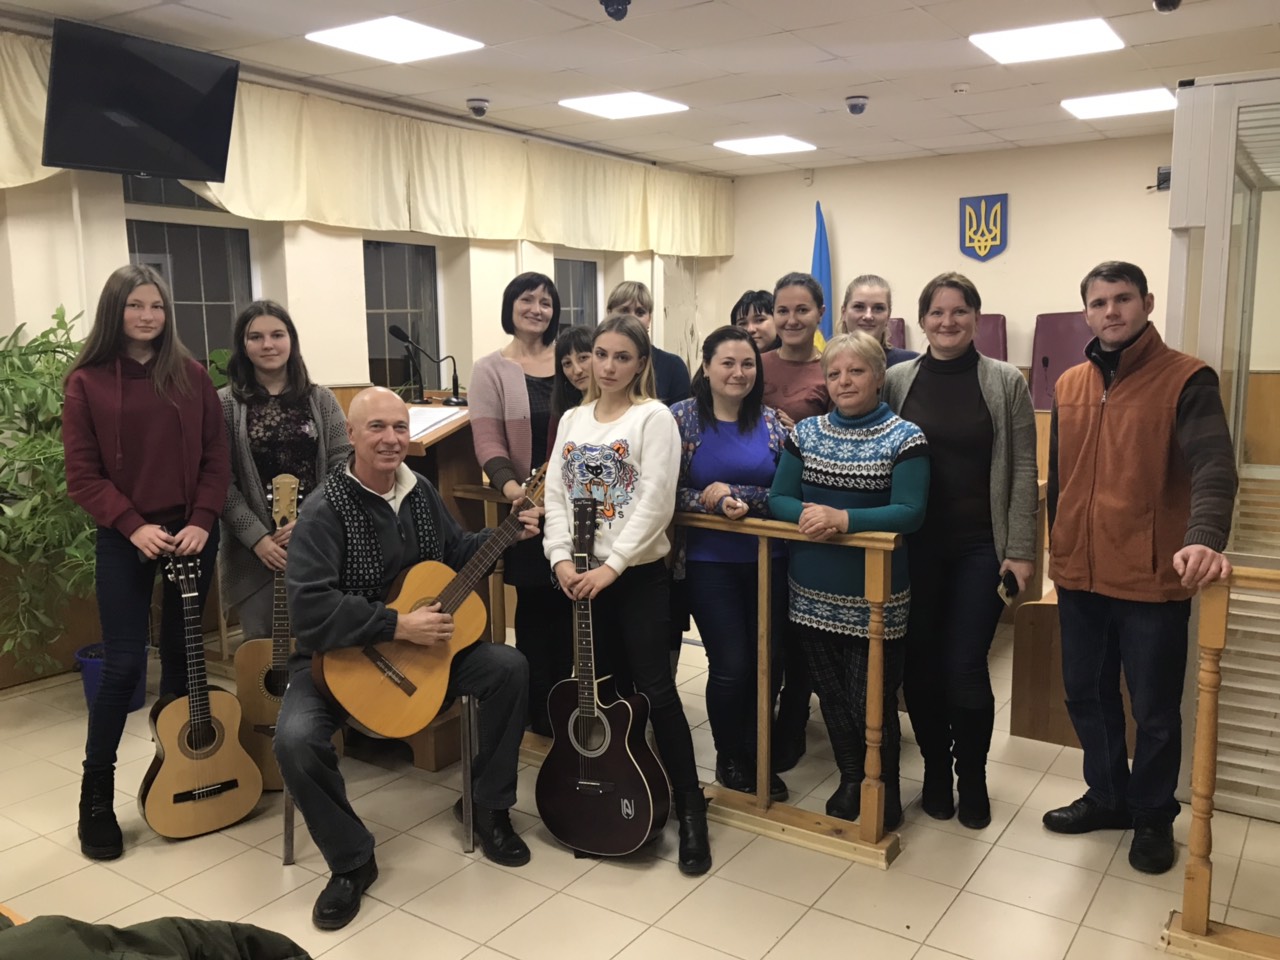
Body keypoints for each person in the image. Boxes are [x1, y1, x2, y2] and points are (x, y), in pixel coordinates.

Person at [278, 387, 541, 930]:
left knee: (509, 669)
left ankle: (486, 807)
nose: (391, 439)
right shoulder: (323, 509)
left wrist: (506, 534)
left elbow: (455, 554)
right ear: (351, 434)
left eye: (400, 427)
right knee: (295, 740)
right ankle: (351, 860)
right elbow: (309, 609)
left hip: (421, 663)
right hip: (335, 664)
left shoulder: (419, 490)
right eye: (377, 427)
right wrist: (398, 625)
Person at [1042, 261, 1237, 874]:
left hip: (1152, 576)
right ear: (1086, 312)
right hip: (1078, 573)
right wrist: (1056, 544)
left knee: (1154, 710)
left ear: (1147, 303)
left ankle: (1152, 815)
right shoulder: (1069, 383)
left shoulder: (1187, 378)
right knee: (1085, 694)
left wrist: (1204, 537)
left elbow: (1214, 466)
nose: (1111, 311)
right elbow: (1059, 480)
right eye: (1098, 302)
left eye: (1122, 299)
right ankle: (1107, 796)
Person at [62, 264, 230, 861]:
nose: (147, 316)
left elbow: (216, 456)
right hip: (124, 534)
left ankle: (182, 773)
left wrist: (202, 520)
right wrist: (132, 525)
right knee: (124, 665)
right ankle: (96, 797)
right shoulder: (85, 382)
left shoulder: (190, 375)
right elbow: (82, 475)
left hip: (191, 533)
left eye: (156, 306)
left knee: (186, 659)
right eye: (136, 305)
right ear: (116, 310)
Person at [543, 314, 712, 876]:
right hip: (580, 577)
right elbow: (556, 496)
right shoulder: (573, 418)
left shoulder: (653, 417)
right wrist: (560, 558)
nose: (608, 366)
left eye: (622, 357)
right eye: (600, 354)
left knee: (656, 692)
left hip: (635, 578)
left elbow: (655, 502)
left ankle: (691, 808)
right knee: (604, 695)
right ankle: (620, 793)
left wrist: (612, 566)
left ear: (641, 363)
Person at [883, 272, 1037, 831]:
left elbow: (1023, 468)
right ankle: (933, 772)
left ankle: (971, 776)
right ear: (922, 321)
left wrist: (1021, 549)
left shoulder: (1005, 381)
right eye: (937, 312)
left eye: (959, 311)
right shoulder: (896, 380)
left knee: (966, 665)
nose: (948, 322)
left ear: (976, 317)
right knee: (920, 666)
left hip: (980, 547)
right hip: (914, 547)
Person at [769, 332, 928, 828]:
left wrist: (844, 520)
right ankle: (852, 777)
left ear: (878, 377)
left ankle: (885, 786)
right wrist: (810, 515)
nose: (844, 381)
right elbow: (779, 498)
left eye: (856, 371)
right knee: (832, 696)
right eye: (834, 373)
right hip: (809, 592)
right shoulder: (806, 433)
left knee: (871, 699)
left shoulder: (905, 437)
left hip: (874, 597)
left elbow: (910, 511)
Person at [672, 326, 789, 801]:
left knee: (769, 663)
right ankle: (731, 755)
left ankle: (759, 750)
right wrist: (711, 500)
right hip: (708, 562)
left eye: (747, 364)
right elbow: (666, 491)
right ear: (706, 367)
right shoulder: (680, 419)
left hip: (770, 559)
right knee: (732, 664)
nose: (738, 373)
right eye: (727, 363)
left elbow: (787, 492)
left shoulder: (774, 422)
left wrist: (736, 493)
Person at [469, 273, 573, 736]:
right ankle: (539, 710)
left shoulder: (571, 359)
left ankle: (573, 704)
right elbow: (487, 440)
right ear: (510, 306)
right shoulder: (490, 369)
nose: (537, 309)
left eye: (546, 302)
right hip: (526, 509)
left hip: (578, 506)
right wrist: (516, 492)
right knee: (535, 609)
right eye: (527, 300)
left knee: (575, 606)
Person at [218, 300, 351, 640]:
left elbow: (343, 468)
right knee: (265, 654)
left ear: (291, 340)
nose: (268, 344)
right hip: (255, 556)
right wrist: (258, 539)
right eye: (256, 337)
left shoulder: (322, 400)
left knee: (321, 650)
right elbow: (219, 482)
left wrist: (308, 521)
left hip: (317, 543)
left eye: (277, 335)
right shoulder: (224, 405)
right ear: (243, 345)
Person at [759, 271, 830, 771]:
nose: (791, 319)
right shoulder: (754, 363)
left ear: (819, 314)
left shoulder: (832, 369)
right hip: (754, 511)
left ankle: (793, 721)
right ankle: (758, 721)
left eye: (802, 309)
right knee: (765, 629)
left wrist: (800, 431)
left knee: (799, 626)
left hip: (808, 511)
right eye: (782, 310)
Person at [606, 280, 691, 406]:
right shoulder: (596, 363)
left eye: (640, 312)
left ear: (649, 319)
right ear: (609, 314)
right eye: (624, 311)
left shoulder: (673, 367)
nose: (632, 318)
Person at [836, 275, 919, 367]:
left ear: (888, 316)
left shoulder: (912, 364)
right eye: (859, 307)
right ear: (844, 313)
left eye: (878, 308)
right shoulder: (827, 362)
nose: (868, 316)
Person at [546, 324, 593, 461]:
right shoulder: (562, 413)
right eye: (567, 363)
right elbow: (551, 463)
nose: (577, 370)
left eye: (583, 358)